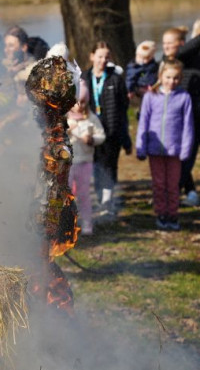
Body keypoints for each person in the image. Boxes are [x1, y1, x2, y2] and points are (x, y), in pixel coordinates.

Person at [136, 58, 195, 230]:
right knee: (159, 184)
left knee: (173, 184)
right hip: (155, 149)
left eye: (176, 78)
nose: (172, 81)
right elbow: (143, 124)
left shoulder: (184, 97)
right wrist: (141, 146)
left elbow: (188, 125)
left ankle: (173, 215)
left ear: (180, 78)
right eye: (168, 77)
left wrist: (185, 149)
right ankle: (161, 213)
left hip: (175, 150)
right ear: (161, 76)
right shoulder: (150, 96)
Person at [80, 41, 130, 215]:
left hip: (111, 131)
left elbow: (124, 107)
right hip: (90, 131)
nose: (103, 60)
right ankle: (100, 197)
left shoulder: (116, 79)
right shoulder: (83, 78)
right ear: (92, 56)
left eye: (107, 57)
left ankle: (107, 202)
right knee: (95, 166)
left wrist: (125, 136)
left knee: (109, 166)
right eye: (100, 56)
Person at [160, 27, 200, 206]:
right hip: (179, 117)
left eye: (170, 43)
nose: (166, 47)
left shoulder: (192, 57)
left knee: (187, 155)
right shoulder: (171, 60)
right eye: (164, 43)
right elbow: (183, 50)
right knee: (183, 155)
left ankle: (187, 191)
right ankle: (176, 191)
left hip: (196, 115)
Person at [66, 92, 105, 236]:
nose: (79, 106)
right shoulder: (64, 118)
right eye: (76, 102)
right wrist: (67, 131)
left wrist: (92, 139)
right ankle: (67, 224)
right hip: (67, 164)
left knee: (83, 194)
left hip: (85, 162)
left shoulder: (91, 118)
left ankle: (87, 222)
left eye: (82, 102)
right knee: (66, 195)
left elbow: (101, 135)